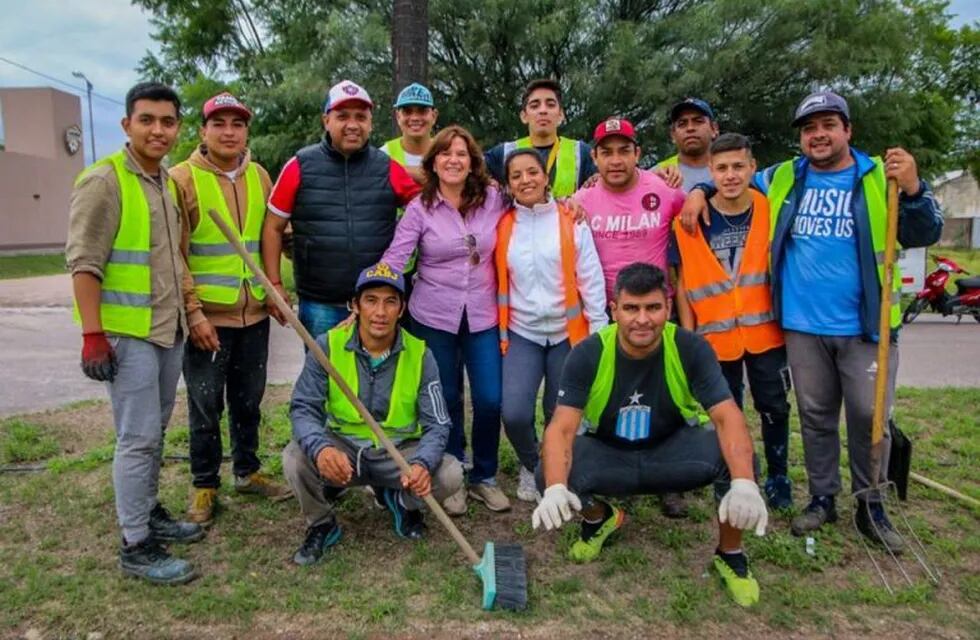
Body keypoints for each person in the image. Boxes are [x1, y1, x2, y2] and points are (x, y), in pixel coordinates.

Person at [679, 91, 944, 551]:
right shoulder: (783, 177)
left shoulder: (879, 177)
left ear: (847, 131)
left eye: (828, 125)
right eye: (809, 128)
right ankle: (823, 498)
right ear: (801, 137)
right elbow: (730, 178)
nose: (818, 135)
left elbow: (924, 231)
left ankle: (871, 505)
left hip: (865, 326)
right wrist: (699, 191)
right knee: (816, 417)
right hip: (801, 326)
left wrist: (916, 188)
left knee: (868, 416)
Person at [531, 263, 768, 608]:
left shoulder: (689, 348)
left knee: (738, 461)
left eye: (653, 307)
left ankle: (730, 553)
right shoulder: (589, 352)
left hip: (672, 450)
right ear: (614, 311)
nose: (642, 319)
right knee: (548, 472)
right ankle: (599, 518)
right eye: (631, 308)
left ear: (668, 308)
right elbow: (561, 428)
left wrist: (745, 483)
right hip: (610, 452)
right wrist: (554, 487)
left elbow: (727, 415)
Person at [66, 82, 203, 585]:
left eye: (168, 122)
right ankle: (135, 542)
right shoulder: (104, 182)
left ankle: (149, 513)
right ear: (127, 125)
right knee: (137, 437)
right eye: (147, 120)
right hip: (126, 333)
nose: (158, 130)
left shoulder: (165, 182)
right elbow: (84, 262)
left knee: (155, 430)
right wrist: (92, 334)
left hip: (166, 329)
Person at [282, 262, 464, 565]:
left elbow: (438, 423)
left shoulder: (420, 354)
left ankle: (402, 502)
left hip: (398, 455)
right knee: (294, 457)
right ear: (354, 306)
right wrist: (322, 447)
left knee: (450, 473)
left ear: (401, 309)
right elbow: (303, 408)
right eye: (371, 300)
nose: (380, 312)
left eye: (390, 301)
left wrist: (422, 463)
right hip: (345, 451)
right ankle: (322, 523)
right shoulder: (328, 347)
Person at [170, 92, 290, 526]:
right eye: (218, 124)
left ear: (246, 132)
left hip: (254, 316)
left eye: (236, 124)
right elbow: (175, 254)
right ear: (202, 131)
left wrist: (276, 288)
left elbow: (275, 235)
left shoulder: (260, 176)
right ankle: (204, 484)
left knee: (248, 400)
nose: (228, 132)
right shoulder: (182, 179)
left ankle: (247, 470)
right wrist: (193, 312)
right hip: (208, 320)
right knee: (205, 405)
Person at [382, 125, 510, 515]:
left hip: (484, 314)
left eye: (462, 154)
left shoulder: (494, 198)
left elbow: (535, 203)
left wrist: (571, 203)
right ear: (433, 162)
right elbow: (395, 256)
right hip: (433, 315)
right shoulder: (421, 207)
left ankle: (484, 476)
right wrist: (367, 297)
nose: (453, 160)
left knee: (490, 398)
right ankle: (453, 472)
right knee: (447, 396)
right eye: (445, 154)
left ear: (473, 162)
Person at [669, 133, 792, 510]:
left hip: (766, 334)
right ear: (710, 171)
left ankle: (778, 477)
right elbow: (684, 284)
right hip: (715, 337)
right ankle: (732, 478)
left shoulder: (772, 208)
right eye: (721, 168)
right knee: (726, 411)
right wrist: (689, 335)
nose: (731, 175)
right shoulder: (689, 220)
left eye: (739, 166)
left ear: (753, 168)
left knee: (774, 407)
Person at [261, 80, 420, 338]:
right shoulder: (299, 165)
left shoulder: (388, 168)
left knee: (377, 377)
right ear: (326, 120)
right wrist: (275, 285)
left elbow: (426, 214)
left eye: (361, 117)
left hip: (376, 304)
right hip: (320, 303)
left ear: (370, 123)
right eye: (342, 116)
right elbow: (273, 227)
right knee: (323, 376)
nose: (353, 125)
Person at [495, 148, 608, 502]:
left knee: (558, 413)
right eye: (516, 175)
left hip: (566, 332)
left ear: (546, 177)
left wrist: (598, 332)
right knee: (513, 412)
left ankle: (558, 468)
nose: (525, 180)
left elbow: (590, 277)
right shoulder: (503, 224)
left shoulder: (570, 218)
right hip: (522, 332)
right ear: (509, 184)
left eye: (532, 172)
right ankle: (535, 465)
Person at [484, 78, 597, 198]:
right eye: (535, 106)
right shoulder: (503, 153)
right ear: (524, 116)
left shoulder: (581, 152)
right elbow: (469, 170)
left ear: (561, 115)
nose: (543, 110)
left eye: (550, 105)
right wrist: (486, 181)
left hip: (567, 216)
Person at [654, 98, 720, 192]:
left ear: (714, 129)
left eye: (698, 121)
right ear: (673, 134)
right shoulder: (658, 175)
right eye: (682, 124)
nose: (690, 128)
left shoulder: (735, 170)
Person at [381, 83, 438, 182]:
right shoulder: (385, 154)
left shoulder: (445, 151)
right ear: (398, 117)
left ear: (434, 116)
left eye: (422, 111)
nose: (415, 118)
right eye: (407, 111)